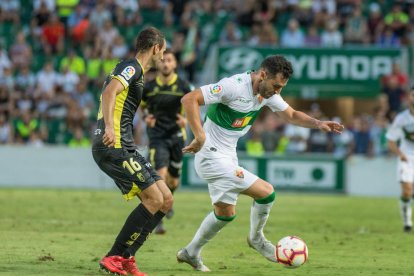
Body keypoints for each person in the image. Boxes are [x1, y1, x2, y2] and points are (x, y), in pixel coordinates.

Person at [176, 55, 344, 272]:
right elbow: (189, 99)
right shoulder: (233, 86)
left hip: (228, 156)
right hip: (210, 156)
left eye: (281, 87)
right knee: (266, 192)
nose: (277, 92)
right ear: (263, 75)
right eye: (276, 85)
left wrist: (318, 123)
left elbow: (291, 114)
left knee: (224, 214)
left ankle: (191, 252)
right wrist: (199, 135)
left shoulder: (267, 94)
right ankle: (257, 239)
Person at [91, 27, 170, 276]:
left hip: (125, 146)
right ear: (155, 48)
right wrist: (110, 128)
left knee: (165, 199)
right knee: (154, 199)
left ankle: (127, 257)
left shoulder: (136, 71)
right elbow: (108, 92)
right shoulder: (131, 66)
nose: (164, 57)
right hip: (113, 145)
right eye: (163, 51)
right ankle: (115, 256)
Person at [142, 48, 192, 234]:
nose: (165, 63)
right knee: (160, 175)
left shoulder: (183, 86)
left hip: (177, 137)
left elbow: (192, 105)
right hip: (157, 137)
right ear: (158, 63)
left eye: (169, 60)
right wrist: (147, 117)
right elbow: (144, 108)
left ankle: (168, 202)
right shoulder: (148, 87)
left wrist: (186, 119)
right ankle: (158, 221)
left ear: (174, 64)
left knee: (173, 181)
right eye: (162, 60)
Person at [386, 87, 414, 233]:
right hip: (407, 157)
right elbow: (390, 141)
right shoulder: (402, 119)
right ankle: (407, 222)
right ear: (409, 98)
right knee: (407, 191)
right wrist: (400, 153)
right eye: (413, 95)